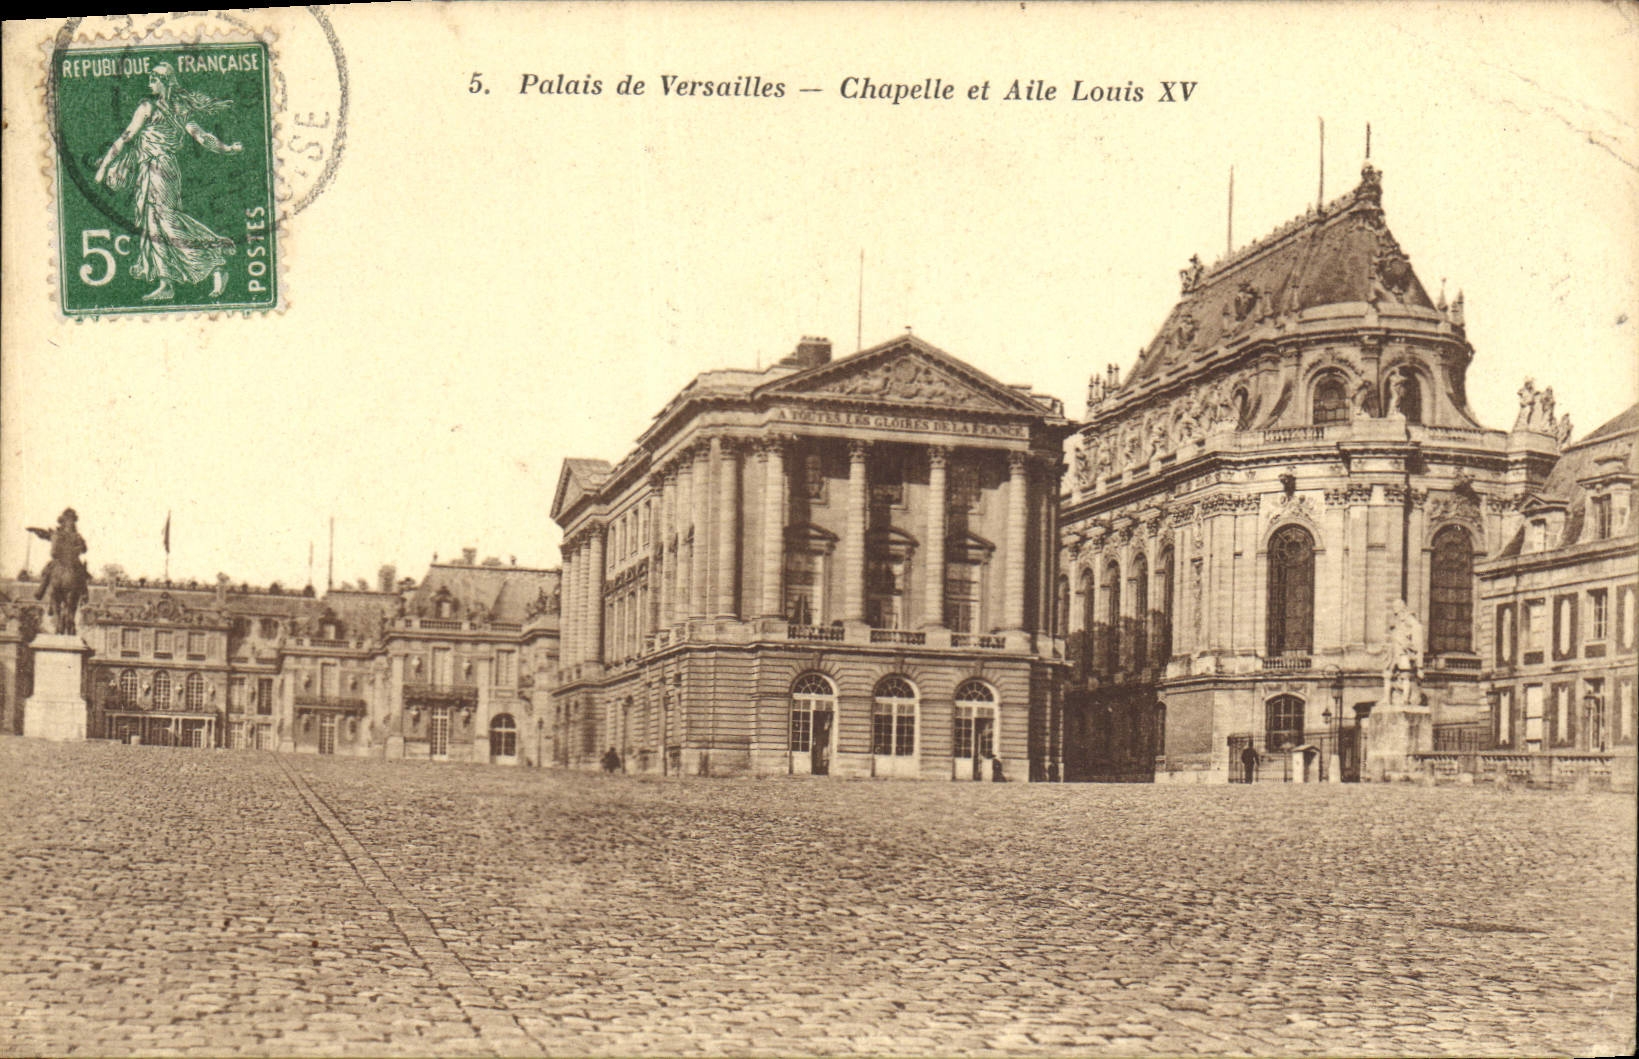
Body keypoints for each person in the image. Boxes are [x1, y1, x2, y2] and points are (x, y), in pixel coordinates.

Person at [92, 63, 243, 302]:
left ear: (165, 81)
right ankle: (167, 282)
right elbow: (201, 137)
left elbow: (127, 137)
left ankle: (214, 259)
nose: (149, 81)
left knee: (165, 222)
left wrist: (102, 169)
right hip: (157, 169)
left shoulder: (150, 107)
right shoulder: (176, 108)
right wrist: (228, 148)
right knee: (155, 224)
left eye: (153, 77)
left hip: (159, 169)